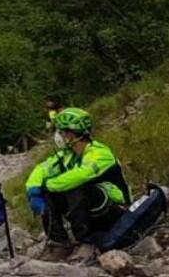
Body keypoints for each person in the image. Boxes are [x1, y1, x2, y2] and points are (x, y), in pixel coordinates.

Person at [26, 108, 131, 259]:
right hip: (91, 211)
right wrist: (34, 189)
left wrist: (46, 185)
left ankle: (85, 239)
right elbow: (42, 169)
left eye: (61, 132)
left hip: (114, 211)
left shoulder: (100, 153)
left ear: (72, 133)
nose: (59, 136)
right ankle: (60, 243)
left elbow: (79, 176)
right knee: (47, 192)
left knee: (75, 187)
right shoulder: (67, 155)